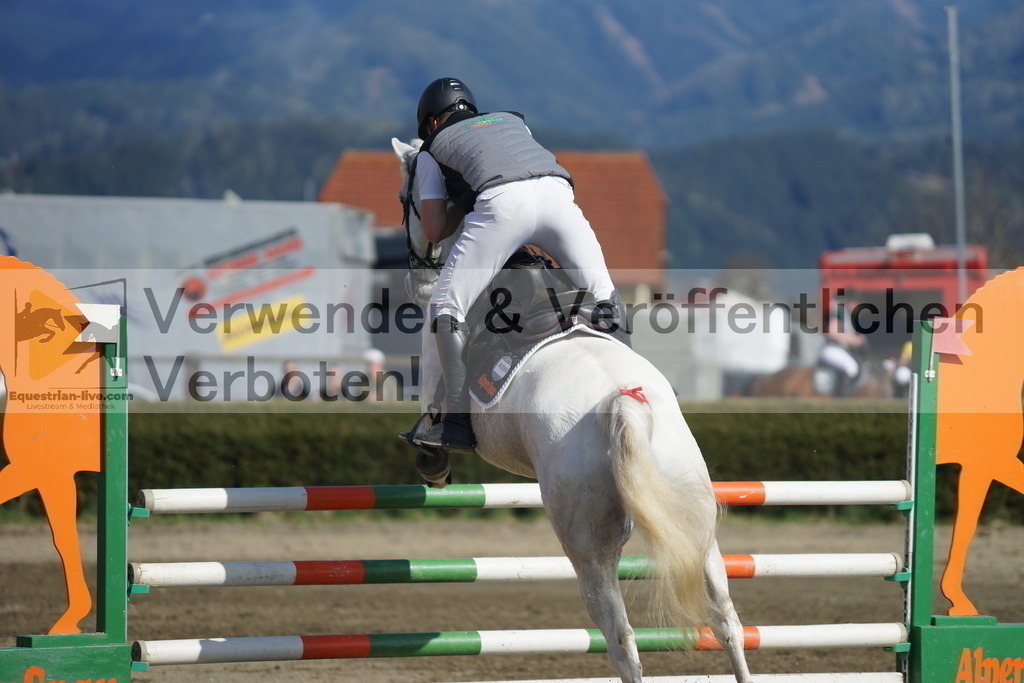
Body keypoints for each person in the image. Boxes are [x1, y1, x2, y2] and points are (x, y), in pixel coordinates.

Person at [408, 77, 621, 452]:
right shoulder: (513, 121)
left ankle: (455, 421)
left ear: (430, 123)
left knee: (445, 306)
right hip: (558, 195)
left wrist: (462, 202)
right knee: (606, 295)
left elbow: (435, 228)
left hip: (503, 203)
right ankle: (633, 386)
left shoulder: (429, 149)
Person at [816, 290, 867, 397]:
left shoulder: (845, 314)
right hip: (832, 349)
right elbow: (832, 331)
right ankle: (842, 401)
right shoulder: (839, 311)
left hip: (838, 350)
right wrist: (853, 340)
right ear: (850, 302)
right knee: (851, 368)